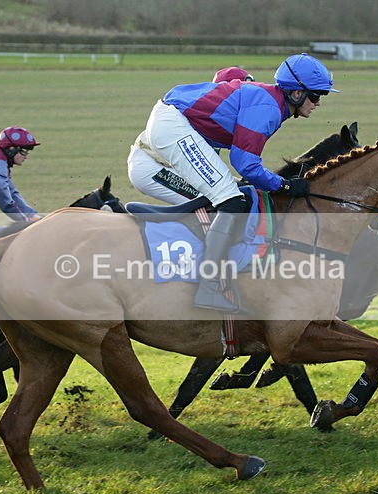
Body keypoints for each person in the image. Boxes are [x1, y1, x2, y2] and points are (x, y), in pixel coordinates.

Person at [132, 53, 337, 313]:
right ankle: (208, 287)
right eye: (316, 96)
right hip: (170, 128)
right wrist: (284, 185)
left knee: (233, 196)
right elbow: (245, 163)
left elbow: (245, 163)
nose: (318, 103)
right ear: (296, 94)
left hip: (170, 122)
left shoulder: (270, 103)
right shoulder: (268, 107)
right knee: (230, 200)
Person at [128, 66, 255, 204]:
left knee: (225, 194)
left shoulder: (214, 107)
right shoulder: (212, 112)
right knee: (216, 200)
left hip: (153, 161)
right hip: (152, 166)